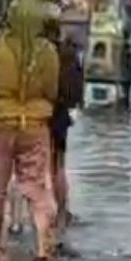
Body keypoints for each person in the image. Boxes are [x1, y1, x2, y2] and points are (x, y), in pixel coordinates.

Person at [0, 0, 60, 261]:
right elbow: (52, 91)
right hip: (35, 126)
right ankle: (44, 247)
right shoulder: (48, 51)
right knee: (35, 187)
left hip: (1, 124)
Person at [44, 13, 83, 232]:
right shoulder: (68, 54)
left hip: (34, 114)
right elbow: (76, 92)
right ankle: (61, 213)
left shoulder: (35, 54)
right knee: (58, 166)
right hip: (59, 117)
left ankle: (23, 218)